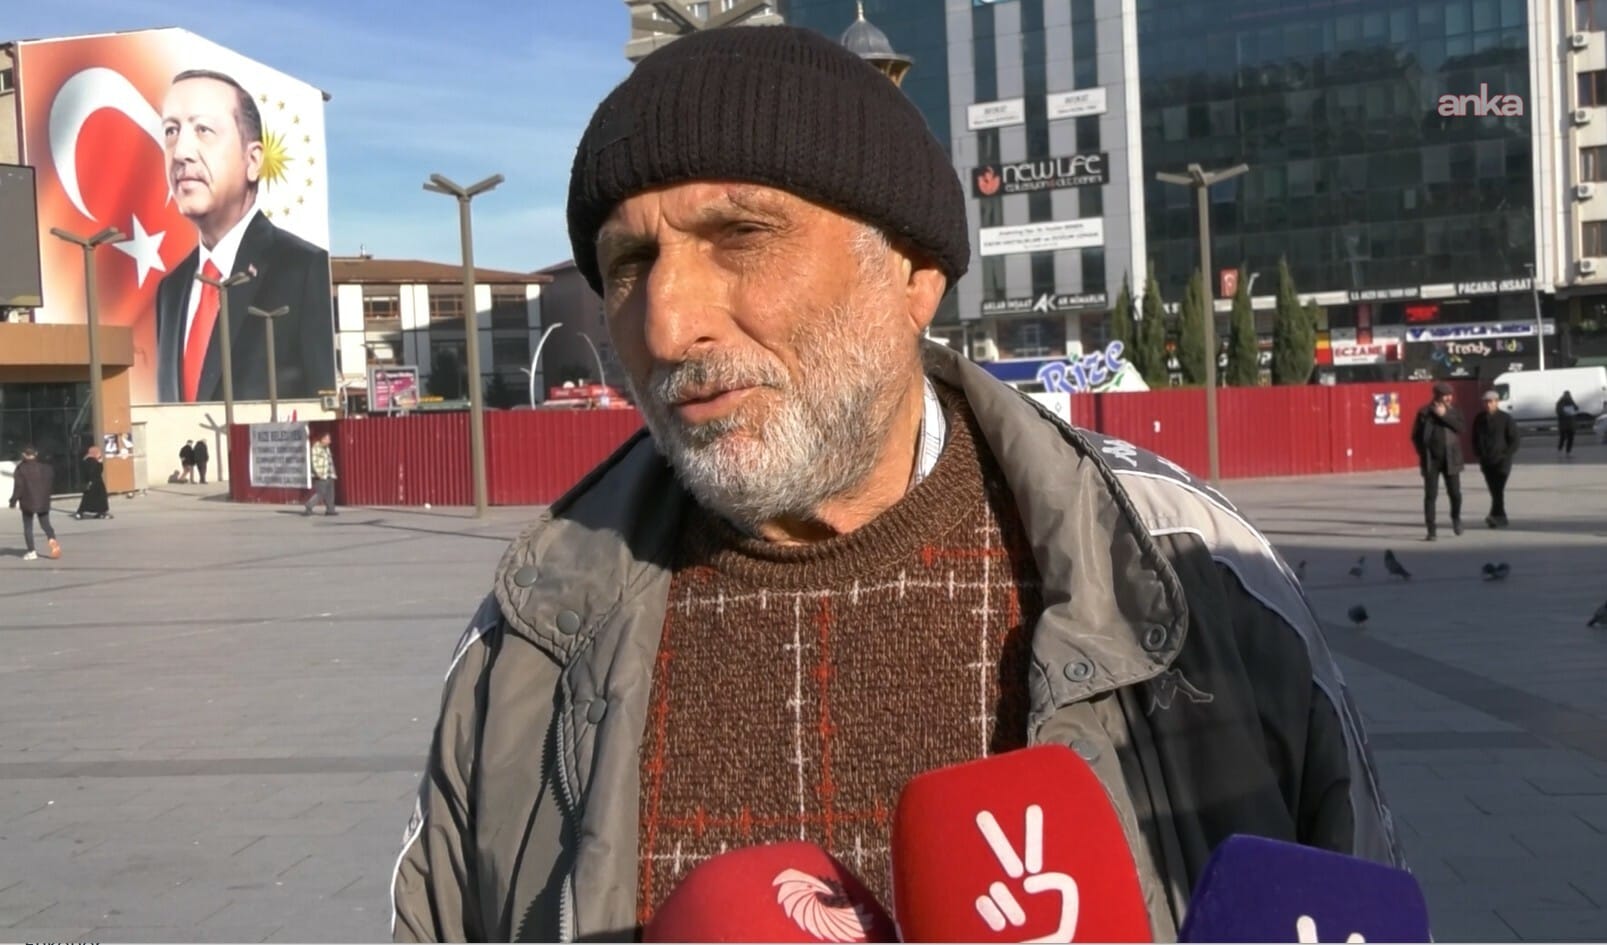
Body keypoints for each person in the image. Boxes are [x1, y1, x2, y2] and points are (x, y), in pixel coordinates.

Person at [390, 27, 1403, 944]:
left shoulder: (1189, 571)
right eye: (628, 262)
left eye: (741, 236)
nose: (665, 323)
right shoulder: (529, 638)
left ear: (913, 272)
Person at [154, 69, 337, 404]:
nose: (181, 152)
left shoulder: (302, 269)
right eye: (171, 131)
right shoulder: (171, 290)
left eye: (203, 130)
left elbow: (322, 402)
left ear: (253, 160)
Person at [1411, 381, 1465, 541]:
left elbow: (1461, 428)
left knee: (1455, 493)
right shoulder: (1424, 412)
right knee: (1430, 496)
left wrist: (1444, 415)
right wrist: (1423, 453)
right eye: (1445, 395)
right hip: (1431, 460)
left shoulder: (1454, 411)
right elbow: (1415, 436)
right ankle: (1431, 530)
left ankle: (1456, 518)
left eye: (1450, 395)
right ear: (1437, 396)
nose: (1449, 398)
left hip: (1451, 458)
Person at [1471, 390, 1520, 528]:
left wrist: (1506, 454)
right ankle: (1500, 517)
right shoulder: (1479, 419)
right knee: (1494, 490)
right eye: (1486, 402)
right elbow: (1474, 438)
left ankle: (1495, 517)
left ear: (1497, 402)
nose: (1488, 404)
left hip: (1502, 461)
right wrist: (1478, 454)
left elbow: (1515, 440)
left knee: (1498, 489)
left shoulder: (1506, 418)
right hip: (1486, 461)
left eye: (1491, 402)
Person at [8, 447, 61, 561]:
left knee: (28, 527)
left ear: (24, 454)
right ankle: (52, 539)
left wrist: (13, 501)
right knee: (46, 524)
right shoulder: (45, 468)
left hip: (27, 501)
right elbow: (50, 482)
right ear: (36, 454)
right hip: (43, 501)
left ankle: (32, 551)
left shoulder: (21, 469)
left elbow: (19, 487)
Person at [302, 431, 337, 516]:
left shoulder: (327, 448)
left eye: (329, 439)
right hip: (321, 474)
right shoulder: (316, 448)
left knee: (330, 493)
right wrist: (318, 473)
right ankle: (309, 506)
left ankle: (330, 510)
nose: (329, 441)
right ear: (322, 439)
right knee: (320, 493)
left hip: (329, 474)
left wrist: (333, 472)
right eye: (327, 439)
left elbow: (329, 461)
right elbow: (314, 462)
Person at [73, 445, 112, 520]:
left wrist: (99, 462)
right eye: (98, 452)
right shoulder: (91, 460)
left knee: (96, 498)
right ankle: (81, 512)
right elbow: (94, 472)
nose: (100, 453)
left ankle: (100, 512)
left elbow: (98, 471)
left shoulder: (91, 459)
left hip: (96, 482)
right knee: (90, 499)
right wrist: (99, 463)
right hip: (94, 482)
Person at [1557, 390, 1578, 457]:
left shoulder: (1571, 401)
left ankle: (1568, 451)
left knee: (1571, 438)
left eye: (1569, 395)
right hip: (1563, 424)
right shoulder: (1560, 402)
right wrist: (1565, 413)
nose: (1568, 396)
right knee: (1563, 438)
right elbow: (1559, 411)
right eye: (1567, 395)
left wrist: (1574, 406)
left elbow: (1576, 408)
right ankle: (1560, 449)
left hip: (1571, 423)